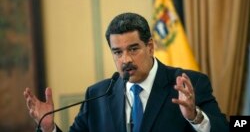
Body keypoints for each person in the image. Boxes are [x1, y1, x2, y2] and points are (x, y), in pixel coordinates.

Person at [24, 12, 229, 132]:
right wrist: (49, 128)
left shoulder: (188, 83)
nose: (126, 60)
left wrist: (195, 117)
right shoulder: (97, 95)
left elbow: (224, 128)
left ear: (150, 47)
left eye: (133, 49)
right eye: (118, 52)